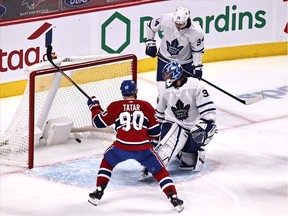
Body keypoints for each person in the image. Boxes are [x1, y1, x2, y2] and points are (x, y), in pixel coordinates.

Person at [87, 80, 184, 212]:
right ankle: (174, 197)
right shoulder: (146, 106)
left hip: (121, 148)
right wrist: (143, 136)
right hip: (143, 149)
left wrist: (94, 107)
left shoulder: (115, 106)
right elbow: (156, 133)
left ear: (122, 93)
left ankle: (99, 191)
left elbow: (97, 123)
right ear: (135, 92)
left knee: (107, 162)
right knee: (160, 171)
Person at [140, 61, 217, 179]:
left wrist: (207, 125)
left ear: (175, 75)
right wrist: (154, 135)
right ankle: (153, 166)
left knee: (188, 163)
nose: (165, 77)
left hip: (192, 127)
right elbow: (159, 114)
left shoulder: (196, 86)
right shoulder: (165, 89)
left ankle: (186, 152)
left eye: (167, 74)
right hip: (172, 124)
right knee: (167, 147)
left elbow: (209, 112)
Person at [145, 6, 205, 81]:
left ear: (186, 20)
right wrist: (150, 43)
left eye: (180, 24)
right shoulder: (166, 19)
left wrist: (197, 67)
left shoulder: (196, 31)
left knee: (186, 90)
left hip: (185, 63)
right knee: (163, 88)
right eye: (176, 23)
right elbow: (150, 26)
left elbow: (197, 50)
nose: (177, 26)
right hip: (165, 60)